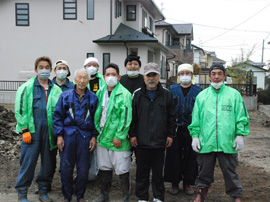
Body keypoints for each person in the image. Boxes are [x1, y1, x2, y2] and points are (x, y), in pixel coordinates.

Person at [188, 63, 249, 202]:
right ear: (209, 76)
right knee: (204, 171)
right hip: (206, 142)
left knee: (230, 172)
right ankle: (201, 193)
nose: (216, 77)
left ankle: (235, 196)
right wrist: (195, 136)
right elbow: (196, 118)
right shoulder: (202, 96)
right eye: (213, 74)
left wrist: (240, 135)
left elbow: (242, 116)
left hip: (227, 142)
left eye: (219, 74)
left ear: (224, 76)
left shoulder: (234, 95)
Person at [14, 56, 62, 202]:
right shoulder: (27, 87)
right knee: (28, 163)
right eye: (41, 67)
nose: (44, 70)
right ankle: (22, 192)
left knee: (48, 164)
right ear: (36, 69)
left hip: (49, 133)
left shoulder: (56, 90)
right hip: (32, 133)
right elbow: (20, 110)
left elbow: (60, 112)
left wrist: (59, 133)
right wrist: (24, 129)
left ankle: (43, 191)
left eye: (47, 67)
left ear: (51, 70)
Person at [130, 62, 177, 202]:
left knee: (158, 173)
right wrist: (132, 135)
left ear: (159, 76)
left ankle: (158, 196)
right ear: (144, 77)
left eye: (154, 75)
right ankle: (142, 197)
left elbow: (172, 117)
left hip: (159, 141)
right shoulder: (137, 95)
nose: (151, 78)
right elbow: (132, 118)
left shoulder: (167, 95)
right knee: (141, 172)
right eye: (148, 75)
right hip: (141, 141)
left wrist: (170, 135)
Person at [53, 68, 99, 202]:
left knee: (83, 168)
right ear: (74, 79)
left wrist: (94, 136)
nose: (82, 81)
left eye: (85, 78)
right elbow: (57, 117)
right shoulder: (65, 96)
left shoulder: (93, 98)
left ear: (89, 80)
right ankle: (67, 196)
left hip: (85, 136)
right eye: (79, 78)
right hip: (68, 135)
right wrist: (59, 136)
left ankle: (80, 196)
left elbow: (96, 119)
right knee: (66, 167)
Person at [93, 63, 132, 202]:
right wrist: (96, 132)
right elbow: (97, 113)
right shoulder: (100, 92)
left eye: (113, 74)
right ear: (104, 77)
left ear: (119, 77)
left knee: (122, 168)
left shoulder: (125, 94)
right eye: (108, 74)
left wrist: (119, 136)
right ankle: (104, 195)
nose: (110, 77)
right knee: (104, 167)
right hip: (102, 137)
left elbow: (126, 117)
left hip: (117, 139)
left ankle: (125, 197)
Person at [164, 63, 202, 195]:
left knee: (191, 156)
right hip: (175, 128)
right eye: (182, 73)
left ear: (192, 75)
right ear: (178, 75)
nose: (185, 75)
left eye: (188, 73)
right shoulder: (172, 89)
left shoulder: (198, 91)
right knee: (173, 156)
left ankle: (187, 182)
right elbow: (167, 109)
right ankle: (174, 182)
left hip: (192, 129)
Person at [83, 57, 106, 181]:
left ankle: (100, 172)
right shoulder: (81, 80)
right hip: (84, 120)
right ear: (85, 67)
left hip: (98, 117)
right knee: (87, 148)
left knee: (99, 147)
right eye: (89, 65)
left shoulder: (102, 81)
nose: (92, 67)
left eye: (95, 65)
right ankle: (88, 173)